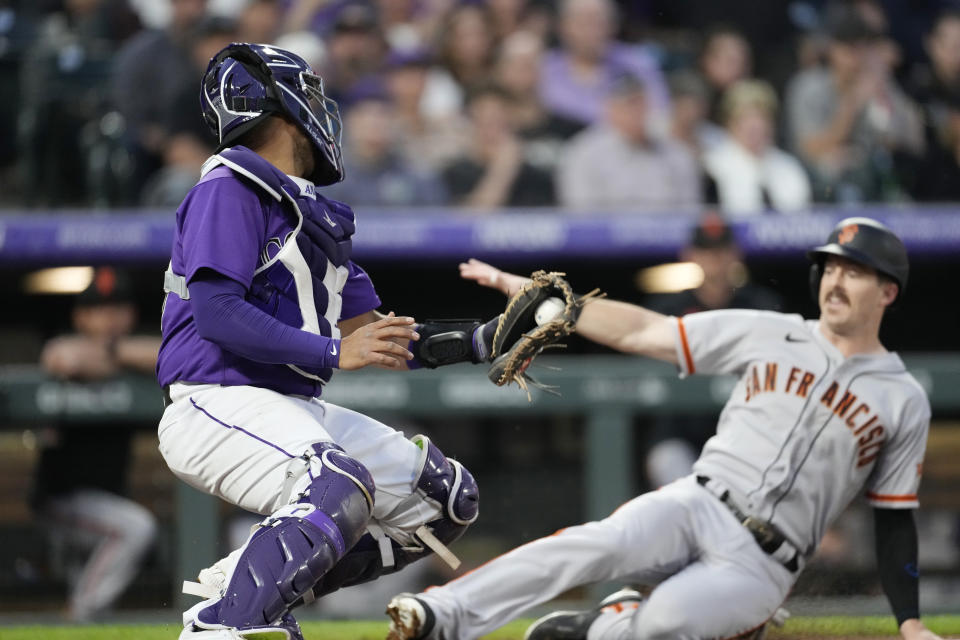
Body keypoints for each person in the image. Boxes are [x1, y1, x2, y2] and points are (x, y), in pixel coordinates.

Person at [386, 217, 942, 640]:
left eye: (856, 272)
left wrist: (911, 622)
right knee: (592, 543)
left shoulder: (902, 397)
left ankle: (608, 625)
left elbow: (896, 519)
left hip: (768, 560)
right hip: (698, 501)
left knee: (664, 627)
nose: (836, 281)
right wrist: (560, 306)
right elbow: (650, 332)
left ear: (887, 292)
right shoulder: (775, 331)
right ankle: (443, 613)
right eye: (833, 267)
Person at [157, 43, 508, 639]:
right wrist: (331, 354)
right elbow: (218, 312)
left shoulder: (307, 212)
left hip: (287, 406)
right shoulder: (232, 186)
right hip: (214, 401)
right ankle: (224, 626)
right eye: (310, 95)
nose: (323, 109)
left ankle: (246, 591)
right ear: (273, 106)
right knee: (335, 483)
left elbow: (376, 337)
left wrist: (484, 340)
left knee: (443, 501)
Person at [31, 267, 159, 622]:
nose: (110, 317)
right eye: (99, 309)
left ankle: (82, 619)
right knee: (134, 527)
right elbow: (64, 358)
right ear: (80, 316)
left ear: (131, 314)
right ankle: (79, 616)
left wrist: (112, 351)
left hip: (103, 502)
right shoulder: (64, 342)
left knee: (118, 536)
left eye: (117, 308)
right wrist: (119, 356)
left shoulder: (130, 353)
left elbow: (166, 356)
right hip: (59, 500)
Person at [642, 214, 783, 488]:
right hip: (681, 433)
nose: (715, 260)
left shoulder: (762, 305)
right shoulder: (668, 310)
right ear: (690, 255)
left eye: (721, 251)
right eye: (706, 251)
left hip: (747, 432)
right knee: (671, 469)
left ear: (736, 255)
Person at [557, 75, 700, 211]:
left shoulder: (676, 154)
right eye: (629, 104)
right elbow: (581, 220)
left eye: (641, 102)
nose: (637, 111)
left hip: (669, 236)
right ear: (609, 109)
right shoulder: (583, 154)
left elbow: (689, 218)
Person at [703, 79, 811, 216]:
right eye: (745, 118)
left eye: (762, 118)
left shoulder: (789, 167)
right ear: (729, 122)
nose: (755, 126)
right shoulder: (711, 168)